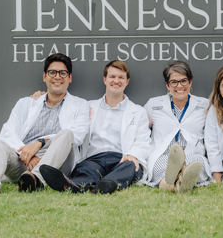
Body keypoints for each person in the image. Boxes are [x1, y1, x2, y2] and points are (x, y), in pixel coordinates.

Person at [0, 53, 90, 194]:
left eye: (63, 73)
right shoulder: (25, 103)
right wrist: (27, 153)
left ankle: (37, 179)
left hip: (58, 165)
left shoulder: (80, 105)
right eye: (52, 72)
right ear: (44, 76)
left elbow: (78, 135)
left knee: (67, 134)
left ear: (70, 78)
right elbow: (7, 132)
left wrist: (39, 143)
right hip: (24, 161)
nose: (57, 77)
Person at [38, 60, 152, 194]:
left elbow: (144, 140)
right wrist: (40, 97)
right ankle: (75, 185)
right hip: (93, 159)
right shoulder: (87, 107)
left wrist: (133, 155)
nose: (116, 81)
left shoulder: (138, 112)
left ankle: (107, 184)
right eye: (112, 77)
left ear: (127, 81)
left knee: (130, 167)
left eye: (121, 77)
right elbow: (69, 127)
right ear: (105, 79)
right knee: (85, 170)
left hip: (121, 159)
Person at [144, 61, 211, 193]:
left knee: (196, 163)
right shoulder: (153, 104)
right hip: (162, 156)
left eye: (183, 81)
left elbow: (219, 127)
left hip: (193, 154)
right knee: (163, 168)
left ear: (190, 82)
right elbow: (139, 127)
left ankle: (177, 183)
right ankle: (179, 183)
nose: (179, 86)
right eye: (174, 82)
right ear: (167, 85)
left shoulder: (205, 104)